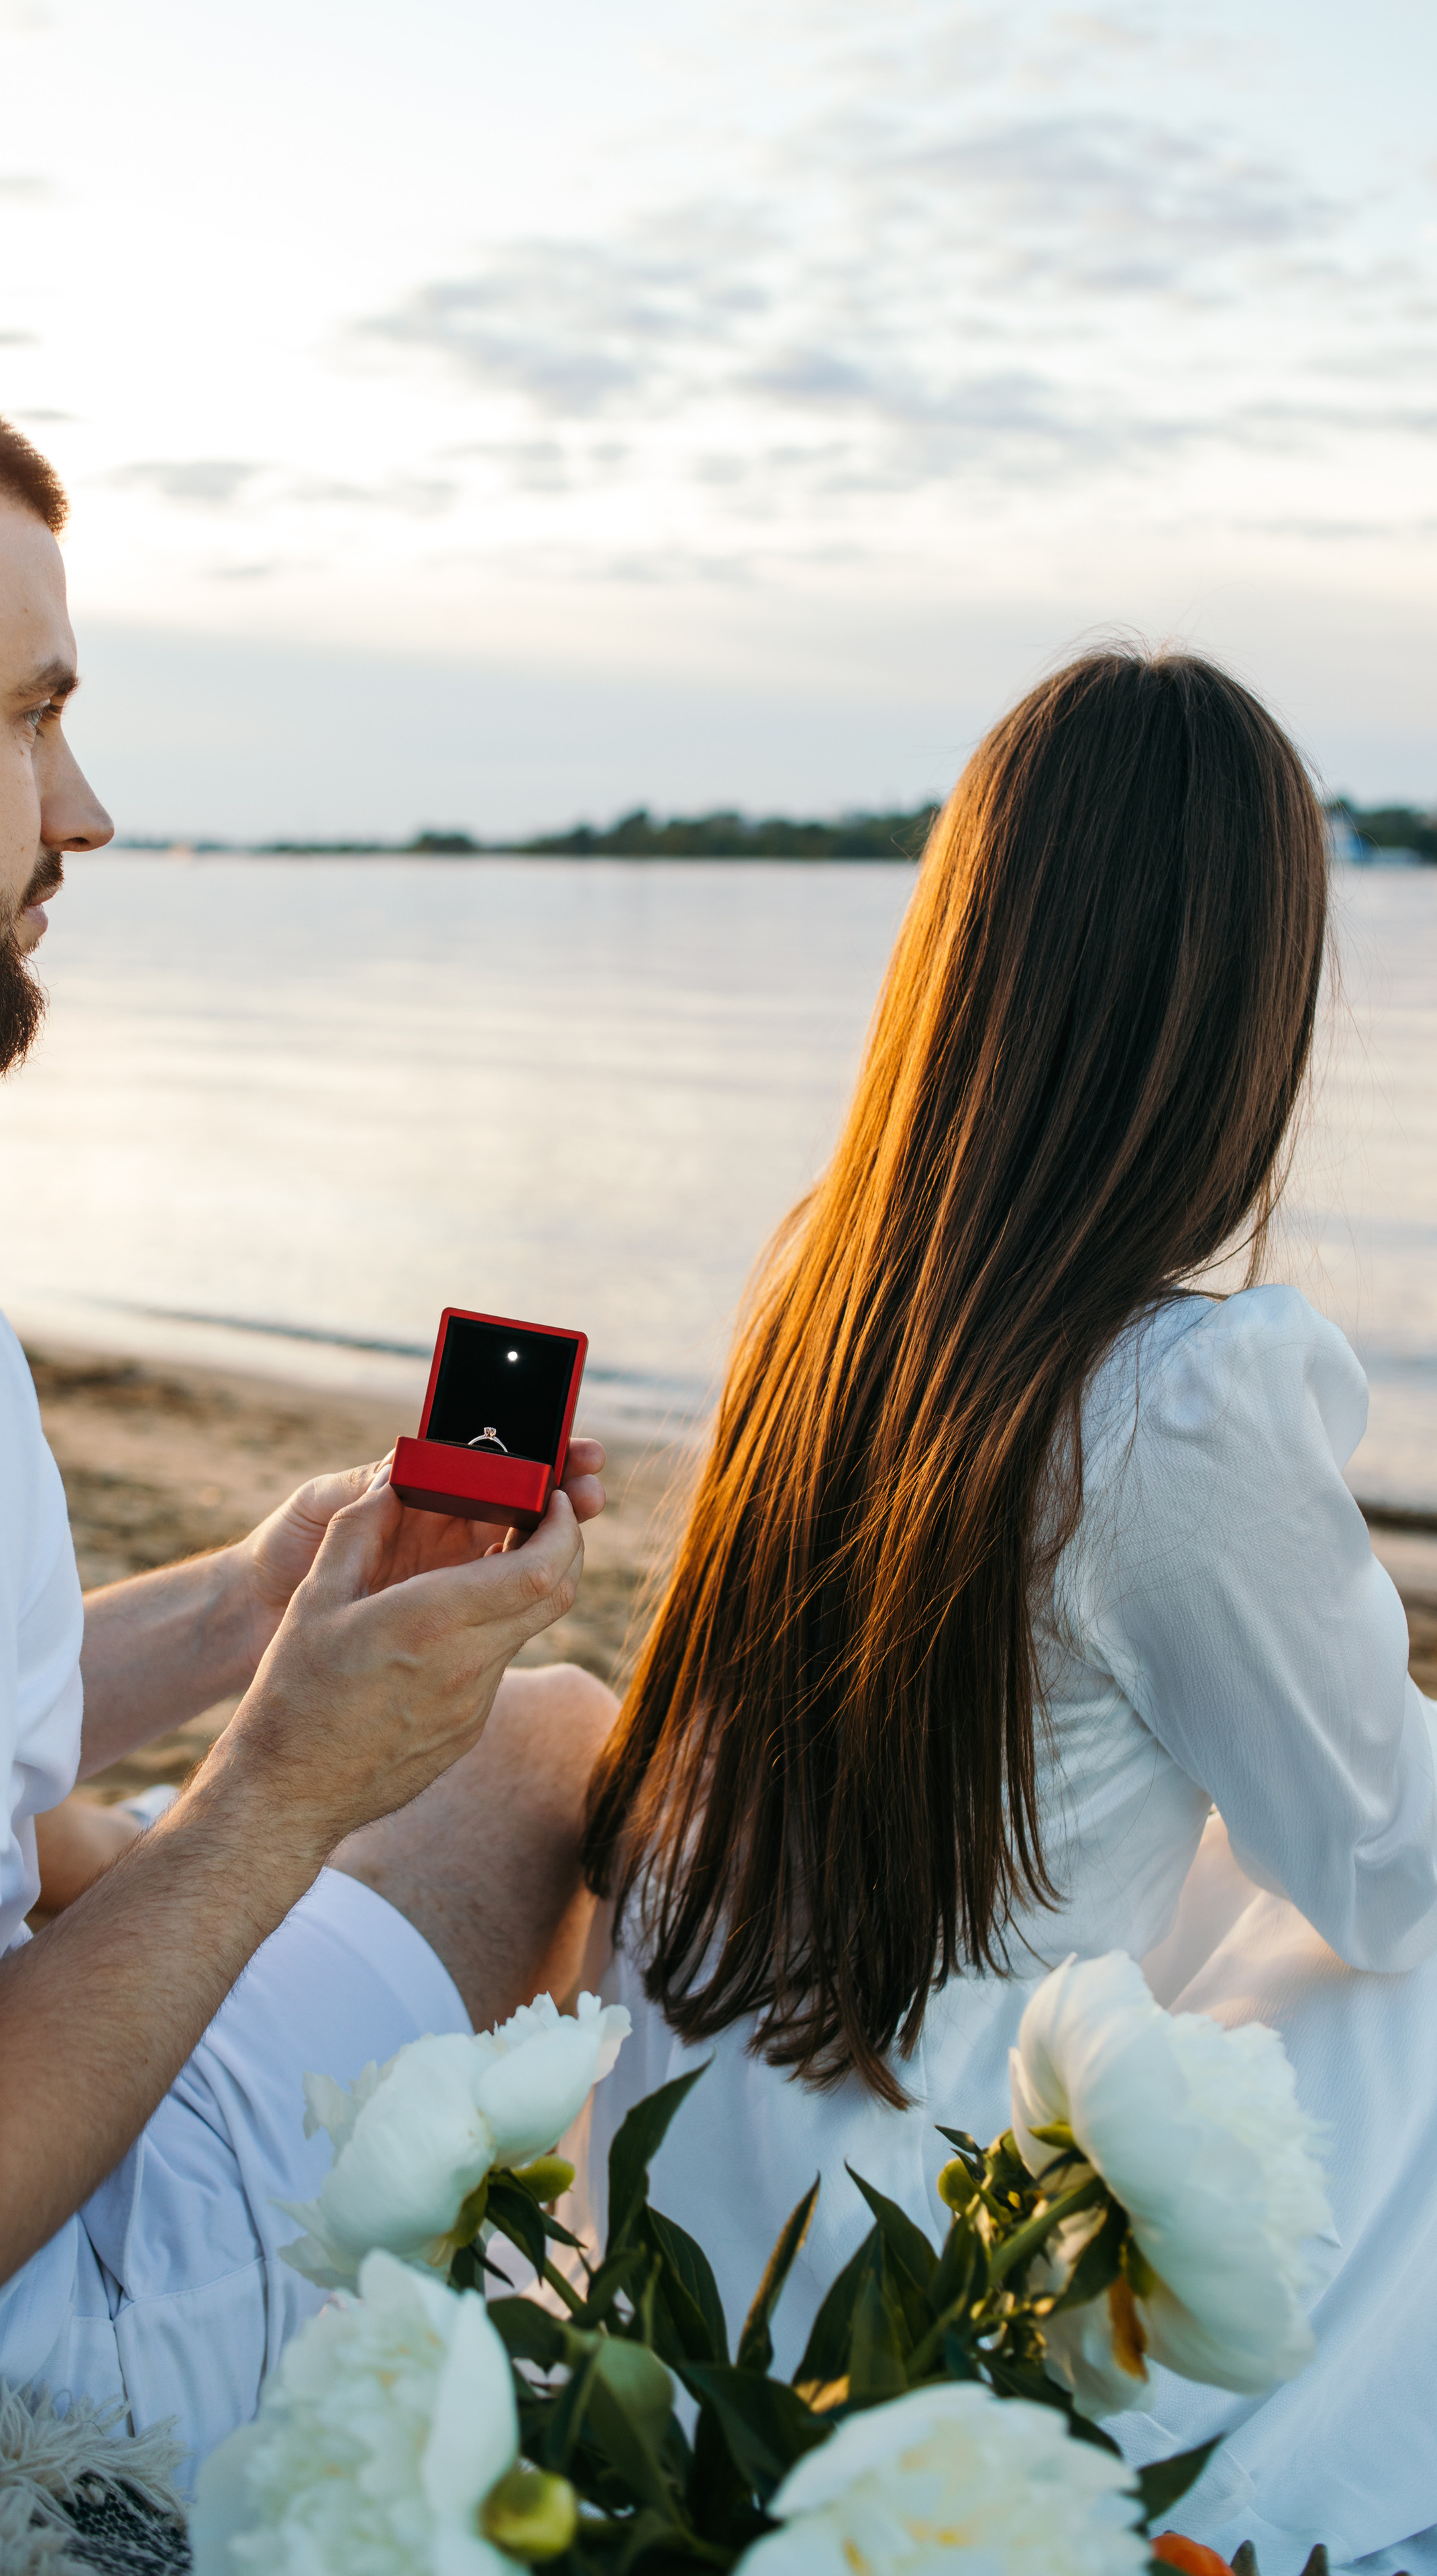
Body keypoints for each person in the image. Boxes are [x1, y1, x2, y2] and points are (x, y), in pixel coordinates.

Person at [0, 307, 617, 2479]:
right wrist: (285, 1790)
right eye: (30, 715)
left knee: (68, 1841)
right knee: (535, 1751)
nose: (88, 811)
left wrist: (232, 1611)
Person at [578, 647, 1437, 2573]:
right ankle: (1277, 2501)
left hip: (714, 2234)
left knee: (1215, 1849)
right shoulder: (1181, 1396)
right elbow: (1386, 1865)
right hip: (917, 2305)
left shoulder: (837, 1296)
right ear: (1242, 1007)